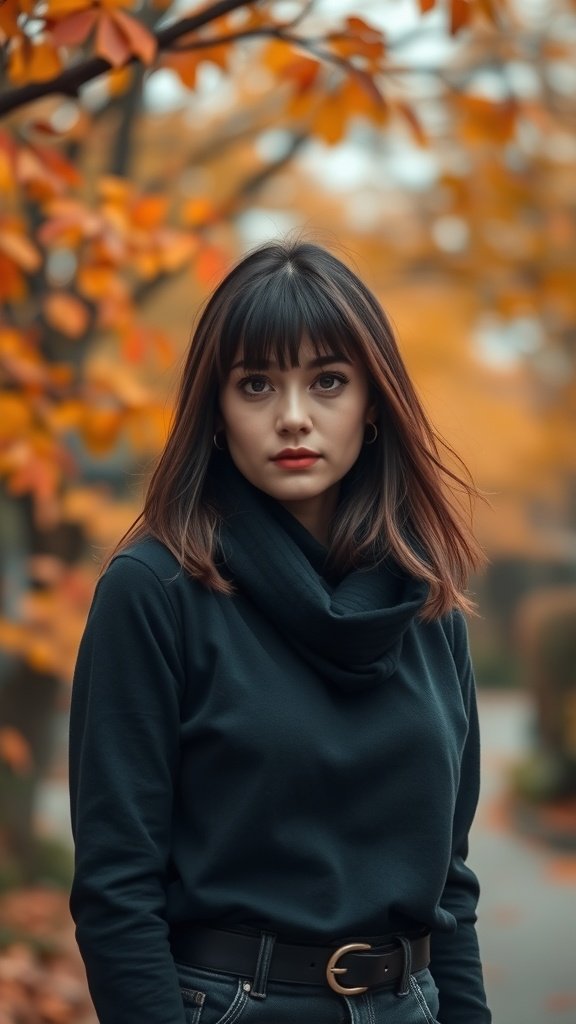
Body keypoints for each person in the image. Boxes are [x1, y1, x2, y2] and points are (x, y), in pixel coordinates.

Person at [69, 239, 492, 1024]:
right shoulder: (153, 591)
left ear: (373, 405)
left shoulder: (427, 602)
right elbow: (115, 892)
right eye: (256, 382)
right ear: (216, 411)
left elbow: (450, 887)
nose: (292, 416)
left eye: (327, 381)